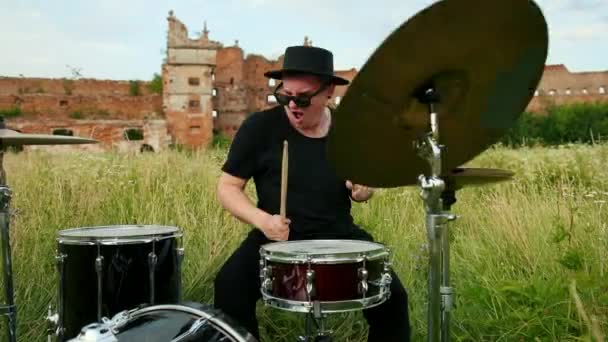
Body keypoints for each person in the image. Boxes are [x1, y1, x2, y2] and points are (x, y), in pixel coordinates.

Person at [214, 45, 410, 341]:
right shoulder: (260, 128)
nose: (293, 105)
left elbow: (362, 188)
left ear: (328, 91)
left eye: (303, 98)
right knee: (228, 287)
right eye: (285, 96)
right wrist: (262, 220)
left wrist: (363, 189)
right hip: (275, 237)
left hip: (338, 234)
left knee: (393, 299)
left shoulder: (349, 131)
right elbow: (228, 187)